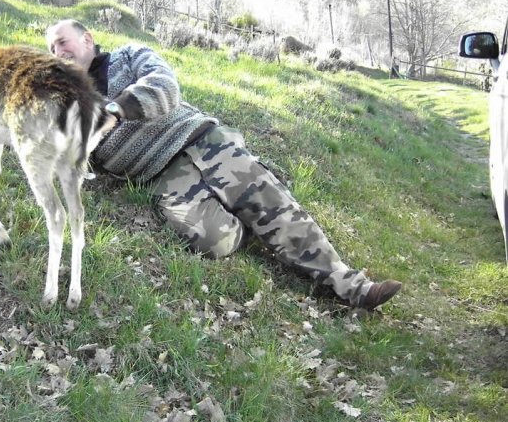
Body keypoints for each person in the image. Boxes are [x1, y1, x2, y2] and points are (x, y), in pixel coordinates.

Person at [45, 19, 402, 310]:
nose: (58, 51)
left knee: (276, 210)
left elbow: (165, 86)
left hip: (201, 141)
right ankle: (251, 208)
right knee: (216, 243)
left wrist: (116, 110)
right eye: (51, 50)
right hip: (163, 177)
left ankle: (353, 288)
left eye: (62, 42)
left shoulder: (128, 56)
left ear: (87, 39)